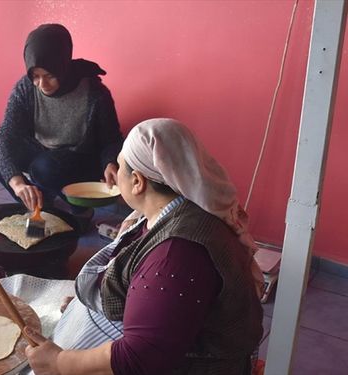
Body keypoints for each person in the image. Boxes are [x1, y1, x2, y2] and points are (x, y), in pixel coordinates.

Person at [22, 118, 264, 374]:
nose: (115, 177)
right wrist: (88, 305)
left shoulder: (177, 255)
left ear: (138, 181)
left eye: (120, 165)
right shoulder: (178, 210)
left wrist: (60, 363)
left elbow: (142, 356)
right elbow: (160, 299)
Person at [0, 24, 123, 211]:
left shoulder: (95, 93)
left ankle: (79, 209)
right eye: (35, 76)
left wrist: (110, 162)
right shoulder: (26, 88)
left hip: (78, 158)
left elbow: (112, 140)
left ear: (63, 67)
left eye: (50, 75)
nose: (42, 84)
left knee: (43, 167)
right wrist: (17, 183)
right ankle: (36, 202)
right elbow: (6, 137)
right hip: (40, 149)